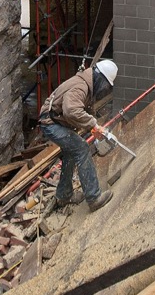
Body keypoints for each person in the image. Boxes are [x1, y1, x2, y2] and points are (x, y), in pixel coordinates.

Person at [38, 59, 118, 212]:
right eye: (106, 86)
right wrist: (94, 124)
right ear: (101, 79)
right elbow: (71, 111)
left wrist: (93, 129)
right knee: (81, 148)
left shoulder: (87, 84)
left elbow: (82, 110)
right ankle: (94, 198)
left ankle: (64, 195)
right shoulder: (81, 86)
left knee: (70, 153)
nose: (105, 90)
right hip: (50, 123)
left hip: (55, 120)